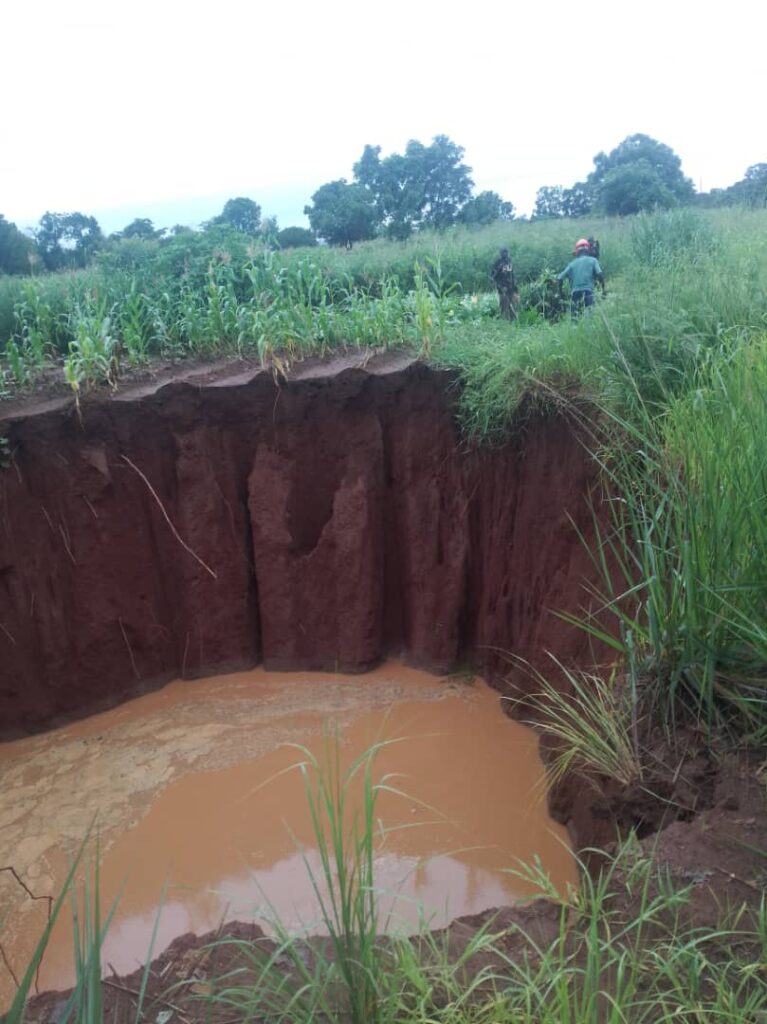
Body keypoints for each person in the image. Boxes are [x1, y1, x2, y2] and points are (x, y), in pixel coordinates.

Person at [558, 238, 605, 318]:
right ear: (588, 250)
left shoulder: (572, 264)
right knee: (589, 317)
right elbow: (600, 274)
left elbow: (560, 278)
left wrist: (560, 293)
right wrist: (603, 289)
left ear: (577, 251)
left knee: (574, 318)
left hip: (575, 293)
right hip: (588, 292)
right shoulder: (593, 260)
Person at [490, 247, 519, 321]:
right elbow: (493, 277)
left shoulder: (509, 261)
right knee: (504, 307)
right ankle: (504, 323)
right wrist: (500, 287)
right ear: (500, 253)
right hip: (502, 289)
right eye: (503, 252)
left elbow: (512, 274)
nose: (505, 254)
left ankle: (513, 322)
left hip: (511, 288)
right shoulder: (498, 263)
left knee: (513, 305)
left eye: (506, 252)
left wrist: (515, 285)